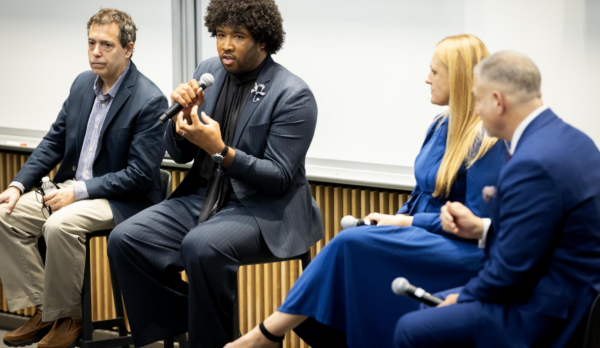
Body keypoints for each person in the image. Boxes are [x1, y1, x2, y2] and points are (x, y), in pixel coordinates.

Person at [226, 34, 508, 348]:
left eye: (435, 72)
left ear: (456, 78)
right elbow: (420, 194)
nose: (426, 79)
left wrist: (406, 224)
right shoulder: (441, 123)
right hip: (422, 235)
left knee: (348, 244)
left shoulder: (486, 139)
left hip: (459, 249)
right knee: (355, 249)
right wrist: (393, 218)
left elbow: (475, 223)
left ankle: (266, 334)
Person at [107, 0, 323, 348]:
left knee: (201, 246)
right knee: (126, 239)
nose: (225, 45)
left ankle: (210, 338)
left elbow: (279, 178)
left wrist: (221, 151)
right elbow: (179, 154)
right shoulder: (209, 71)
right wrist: (182, 124)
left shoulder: (292, 94)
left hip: (262, 209)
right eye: (220, 35)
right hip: (204, 198)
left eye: (238, 36)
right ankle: (218, 334)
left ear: (264, 41)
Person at [394, 51, 600, 348]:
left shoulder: (531, 163)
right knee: (430, 307)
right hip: (576, 295)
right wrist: (483, 230)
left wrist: (463, 297)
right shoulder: (572, 139)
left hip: (548, 310)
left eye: (477, 100)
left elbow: (513, 270)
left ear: (497, 101)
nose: (474, 110)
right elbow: (543, 234)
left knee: (411, 329)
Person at [0, 8, 168, 348]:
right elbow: (53, 141)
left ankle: (69, 317)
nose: (96, 52)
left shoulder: (149, 100)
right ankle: (48, 312)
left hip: (122, 200)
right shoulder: (81, 85)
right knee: (7, 214)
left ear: (129, 49)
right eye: (91, 43)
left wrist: (79, 192)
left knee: (59, 225)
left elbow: (139, 175)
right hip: (73, 189)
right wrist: (17, 185)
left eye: (106, 45)